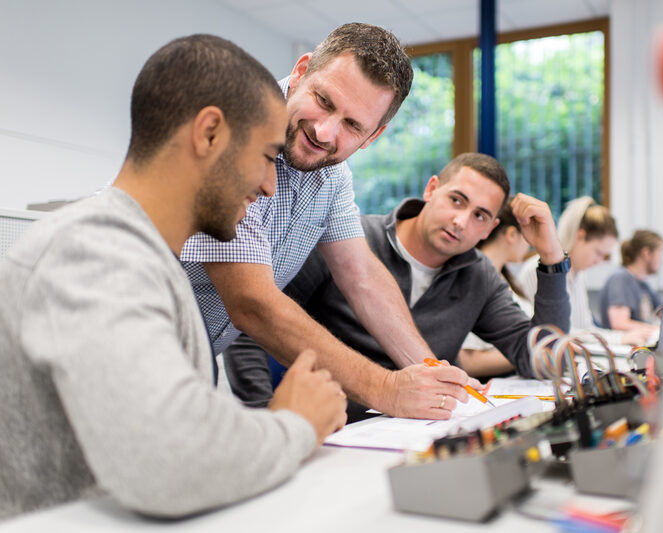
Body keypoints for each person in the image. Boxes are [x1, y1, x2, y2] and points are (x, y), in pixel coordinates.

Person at [0, 35, 347, 520]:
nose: (271, 187)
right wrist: (295, 423)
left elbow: (190, 431)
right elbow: (171, 462)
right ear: (208, 134)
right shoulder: (95, 251)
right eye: (268, 157)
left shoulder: (152, 261)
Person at [180, 23, 472, 420]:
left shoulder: (332, 174)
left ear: (374, 136)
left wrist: (433, 375)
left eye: (353, 125)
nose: (324, 131)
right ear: (301, 72)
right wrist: (386, 389)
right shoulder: (236, 129)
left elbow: (361, 275)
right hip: (117, 343)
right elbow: (251, 302)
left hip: (185, 365)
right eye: (323, 100)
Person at [283, 153, 571, 417]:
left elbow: (544, 360)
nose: (460, 221)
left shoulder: (478, 277)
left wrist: (552, 257)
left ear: (489, 229)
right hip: (327, 429)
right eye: (456, 200)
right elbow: (258, 324)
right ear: (431, 189)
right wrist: (263, 417)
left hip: (418, 433)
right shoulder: (349, 240)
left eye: (479, 216)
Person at [518, 196, 649, 346]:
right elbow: (557, 333)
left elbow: (586, 329)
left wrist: (623, 336)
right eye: (598, 253)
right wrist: (619, 339)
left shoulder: (579, 274)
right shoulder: (540, 270)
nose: (599, 262)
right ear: (580, 235)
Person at [458, 204, 534, 378]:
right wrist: (530, 353)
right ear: (512, 235)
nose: (530, 246)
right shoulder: (475, 278)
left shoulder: (505, 276)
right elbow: (468, 362)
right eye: (527, 237)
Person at [599, 229, 663, 338]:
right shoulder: (621, 278)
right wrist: (657, 331)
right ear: (646, 253)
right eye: (660, 252)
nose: (661, 259)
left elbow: (662, 313)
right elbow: (619, 323)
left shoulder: (644, 285)